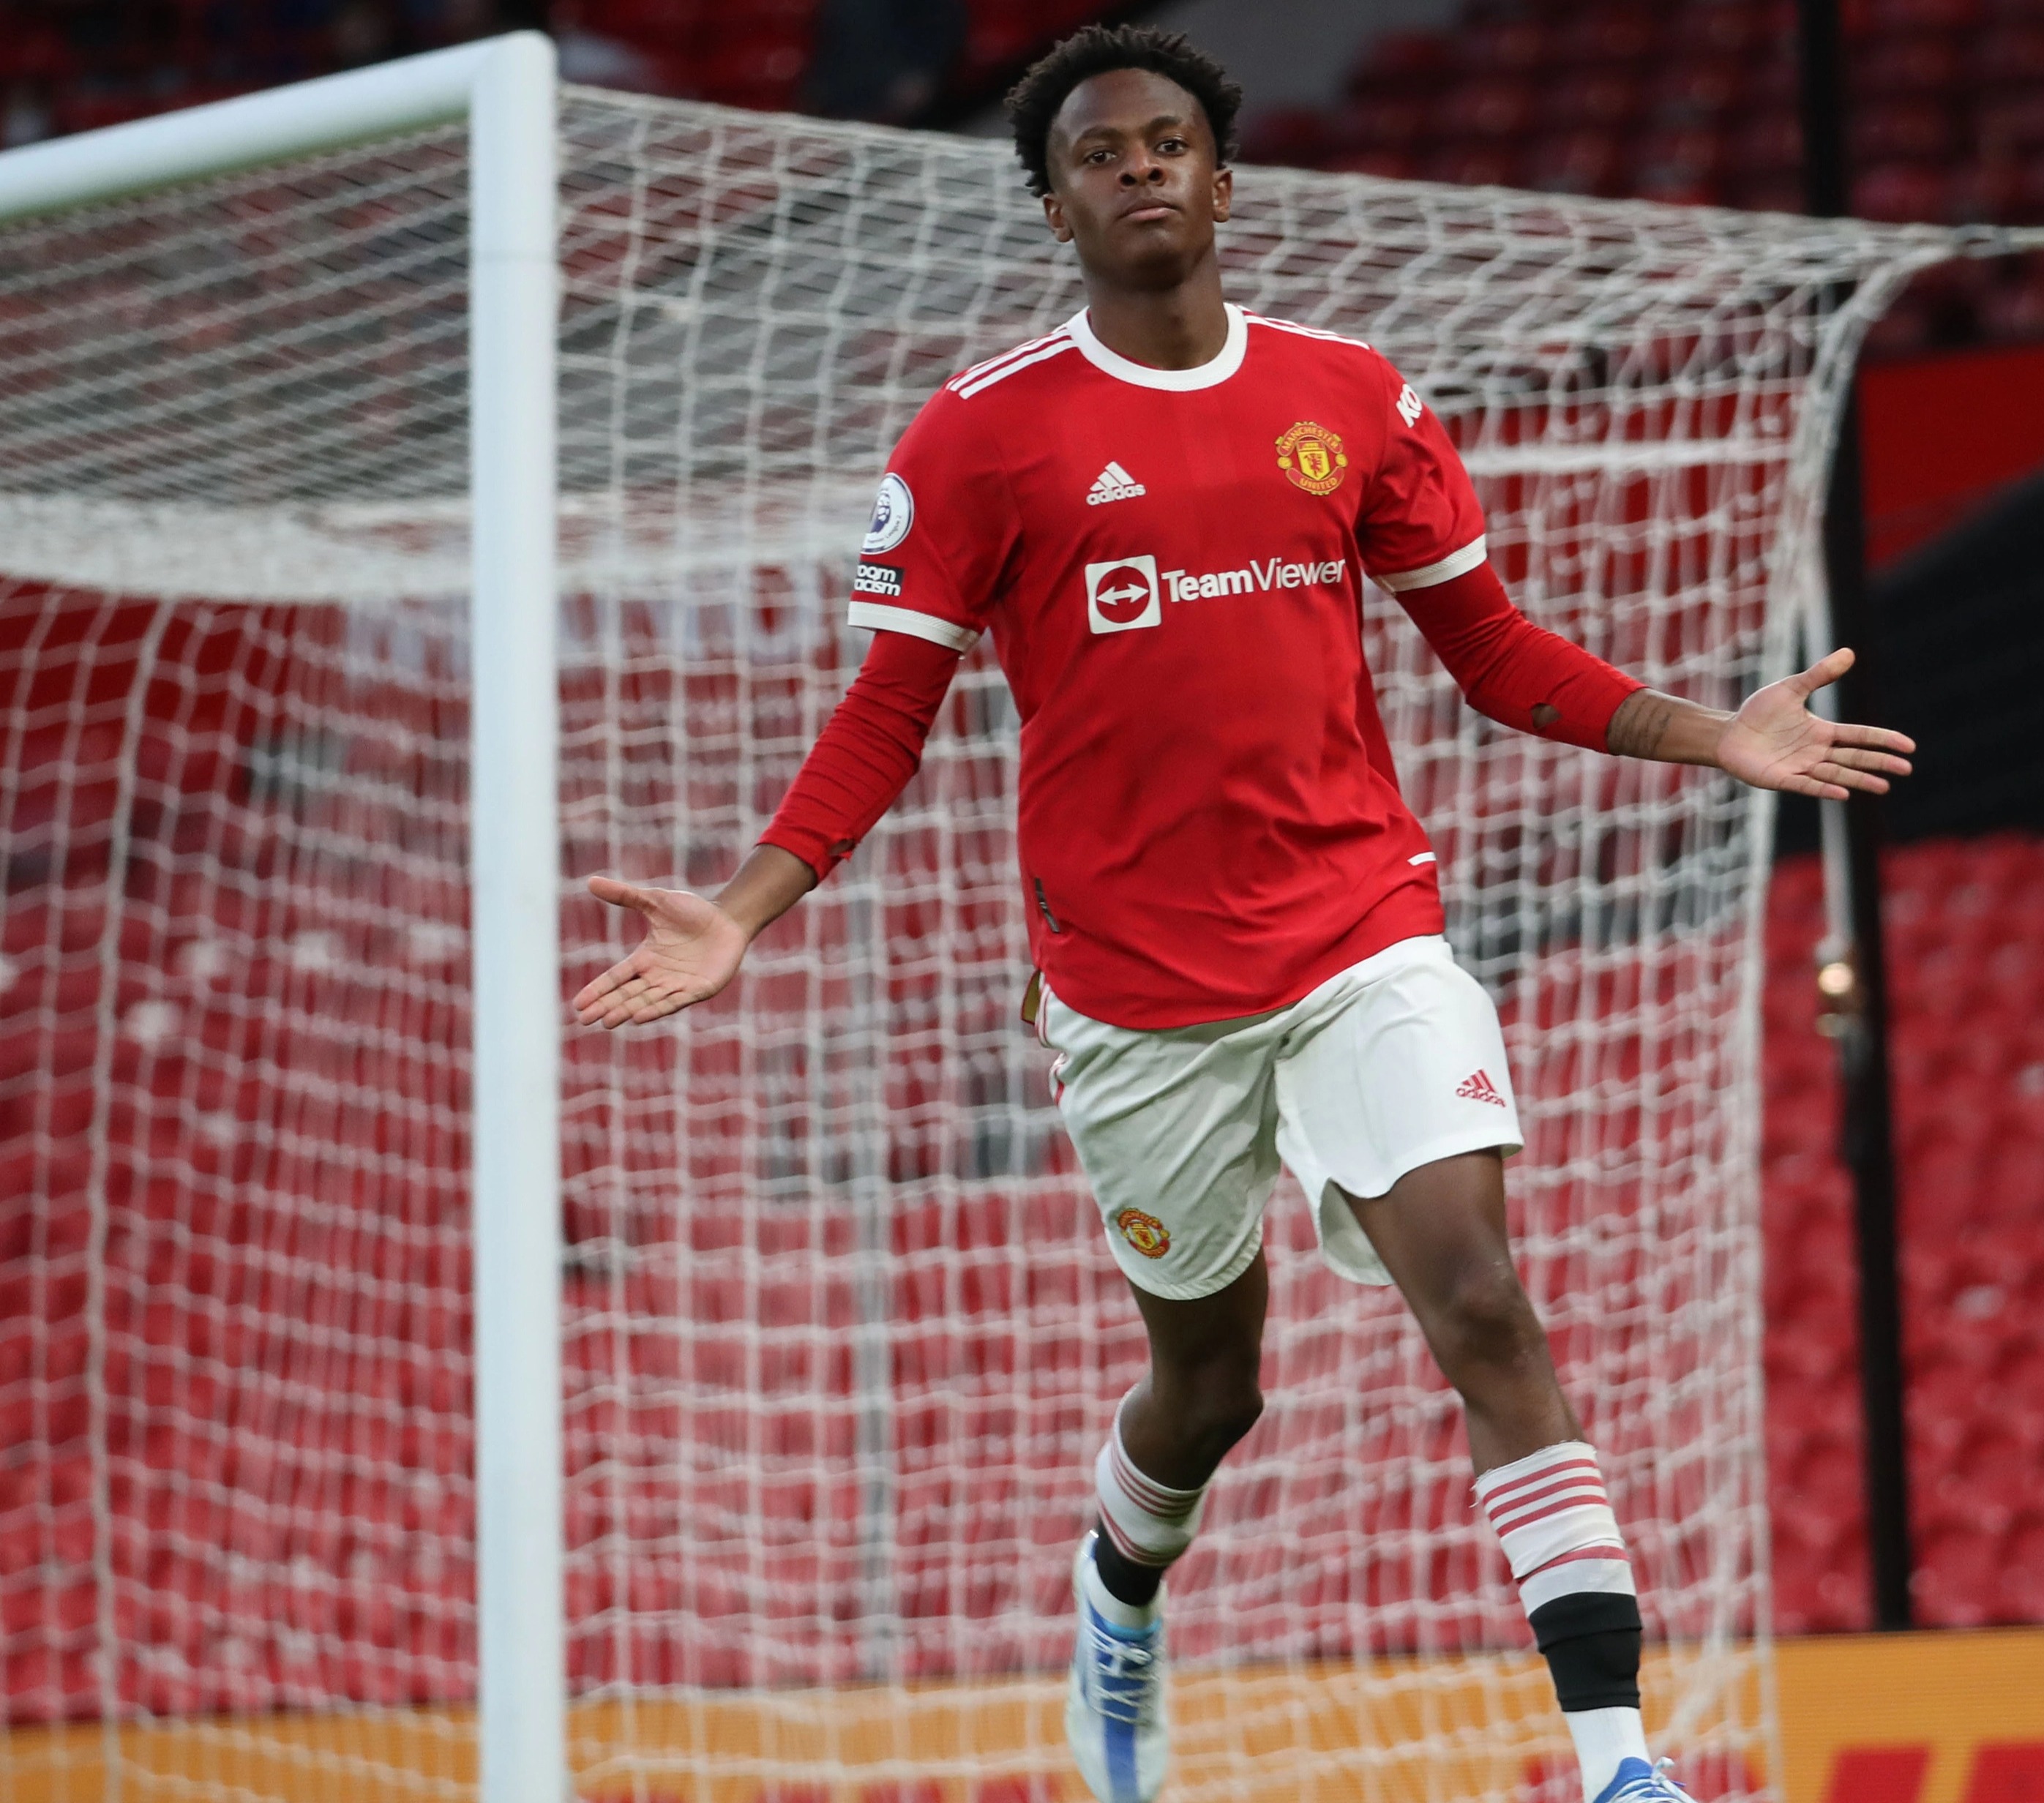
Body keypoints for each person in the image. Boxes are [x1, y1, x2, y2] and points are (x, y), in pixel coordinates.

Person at [573, 26, 1913, 1803]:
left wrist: (1709, 733)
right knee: (1208, 1388)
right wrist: (746, 910)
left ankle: (1616, 1757)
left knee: (1482, 1303)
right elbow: (882, 716)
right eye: (1097, 154)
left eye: (1165, 143)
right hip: (1131, 988)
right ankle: (1118, 1592)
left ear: (1221, 180)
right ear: (1052, 209)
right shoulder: (978, 436)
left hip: (1361, 929)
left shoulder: (1349, 396)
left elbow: (1491, 651)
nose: (1137, 168)